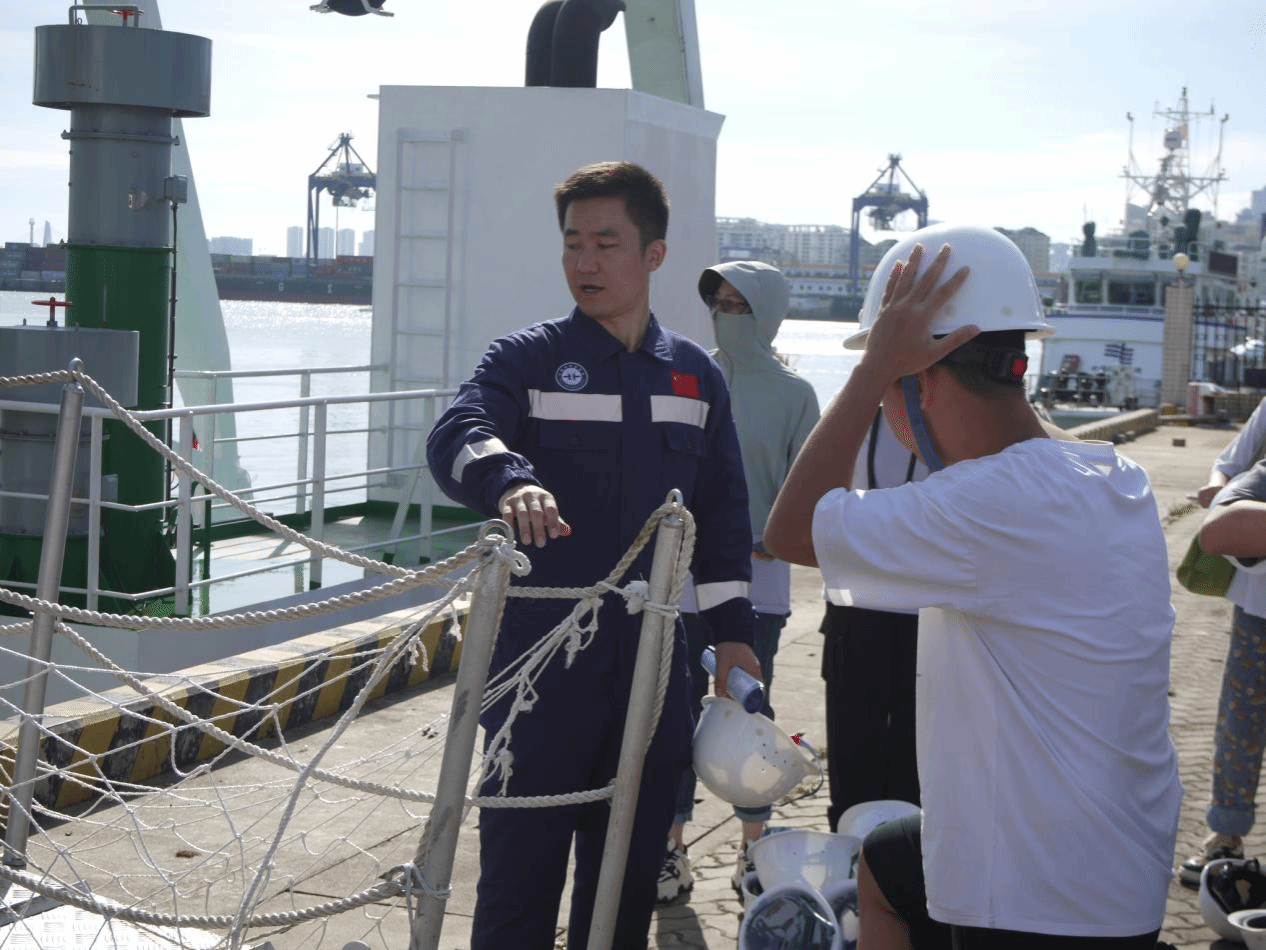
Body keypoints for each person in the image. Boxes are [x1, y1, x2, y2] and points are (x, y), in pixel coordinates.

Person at [763, 223, 1182, 948]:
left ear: (919, 378)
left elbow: (790, 530)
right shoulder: (1115, 477)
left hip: (1034, 901)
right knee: (887, 861)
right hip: (1118, 868)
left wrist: (873, 369)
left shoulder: (986, 506)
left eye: (888, 391)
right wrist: (898, 366)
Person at [425, 160, 760, 950]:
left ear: (654, 254)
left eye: (607, 243)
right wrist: (510, 480)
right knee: (516, 889)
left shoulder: (695, 378)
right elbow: (459, 432)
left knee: (624, 893)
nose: (585, 261)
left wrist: (735, 635)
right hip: (539, 674)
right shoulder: (528, 360)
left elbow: (723, 514)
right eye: (573, 243)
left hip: (653, 676)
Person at [658, 261, 820, 904]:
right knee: (672, 715)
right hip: (677, 580)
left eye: (740, 304)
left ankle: (755, 848)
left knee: (750, 714)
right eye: (718, 303)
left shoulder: (796, 395)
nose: (725, 314)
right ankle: (670, 847)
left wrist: (771, 538)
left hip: (757, 584)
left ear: (769, 313)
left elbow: (808, 489)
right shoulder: (687, 376)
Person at [819, 408, 925, 836]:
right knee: (855, 758)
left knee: (911, 766)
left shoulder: (949, 422)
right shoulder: (857, 417)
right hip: (859, 610)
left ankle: (901, 859)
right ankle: (854, 854)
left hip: (921, 616)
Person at [1180, 407, 1266, 885]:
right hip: (1260, 604)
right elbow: (1232, 465)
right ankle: (1226, 835)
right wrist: (1222, 494)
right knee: (1241, 720)